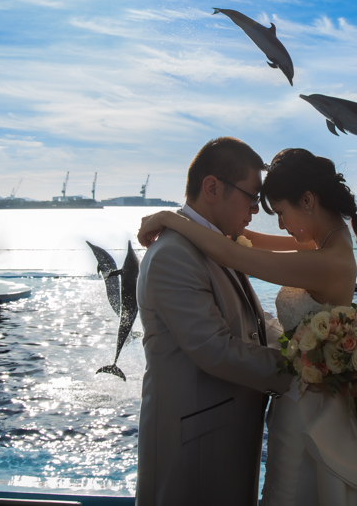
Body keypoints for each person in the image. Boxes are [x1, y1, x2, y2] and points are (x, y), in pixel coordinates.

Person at [138, 148, 357, 506]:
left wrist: (170, 219)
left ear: (308, 201)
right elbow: (238, 244)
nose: (275, 222)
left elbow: (233, 254)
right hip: (299, 402)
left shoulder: (325, 261)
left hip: (308, 405)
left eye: (279, 212)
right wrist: (184, 222)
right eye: (254, 201)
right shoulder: (326, 242)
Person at [134, 137, 297, 506]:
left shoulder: (215, 243)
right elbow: (215, 349)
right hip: (193, 447)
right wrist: (300, 370)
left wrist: (299, 342)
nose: (256, 210)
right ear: (212, 187)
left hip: (223, 436)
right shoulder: (173, 255)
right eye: (252, 197)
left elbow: (256, 320)